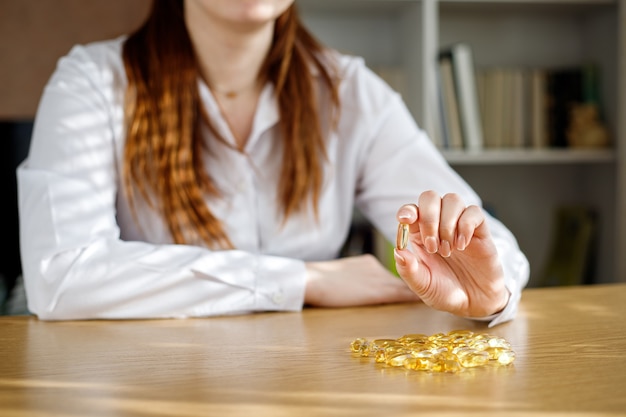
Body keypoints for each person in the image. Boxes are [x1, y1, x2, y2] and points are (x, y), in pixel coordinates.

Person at [17, 0, 529, 325]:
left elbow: (491, 246)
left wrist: (488, 293)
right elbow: (61, 275)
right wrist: (304, 279)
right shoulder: (91, 82)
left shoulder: (349, 91)